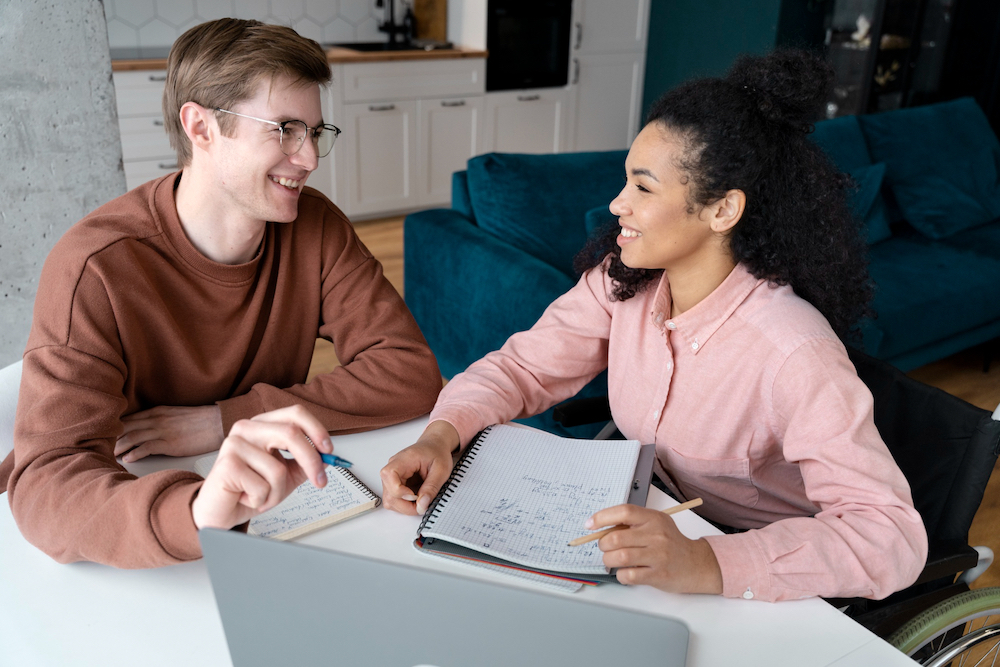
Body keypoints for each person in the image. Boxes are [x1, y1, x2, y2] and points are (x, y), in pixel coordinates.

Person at [380, 50, 928, 602]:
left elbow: (891, 537)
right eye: (626, 181)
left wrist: (705, 561)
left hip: (758, 577)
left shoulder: (793, 351)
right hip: (659, 530)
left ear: (722, 211)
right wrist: (440, 435)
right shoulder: (624, 283)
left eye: (643, 188)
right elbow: (523, 367)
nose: (617, 204)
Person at [0, 18, 441, 568]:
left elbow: (409, 370)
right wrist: (195, 513)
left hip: (265, 516)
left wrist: (225, 418)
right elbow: (46, 485)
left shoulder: (315, 225)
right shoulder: (95, 267)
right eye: (283, 129)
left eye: (314, 131)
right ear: (201, 127)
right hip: (132, 530)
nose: (308, 158)